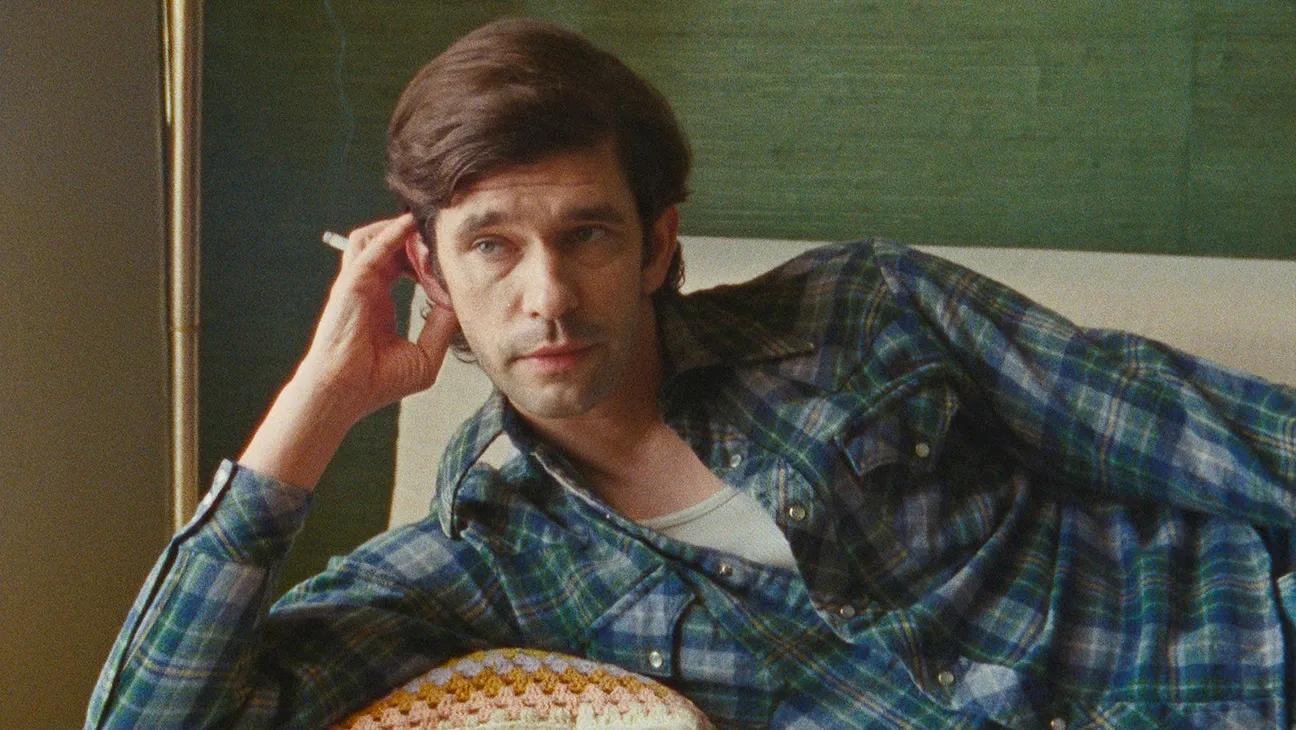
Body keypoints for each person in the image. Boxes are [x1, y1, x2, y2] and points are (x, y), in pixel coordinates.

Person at [87, 17, 1296, 729]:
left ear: (659, 242)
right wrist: (317, 400)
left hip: (1247, 643)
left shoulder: (864, 306)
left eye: (588, 234)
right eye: (492, 246)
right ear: (429, 273)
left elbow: (1209, 434)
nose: (548, 295)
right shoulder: (481, 556)